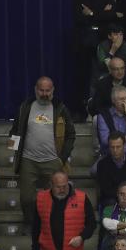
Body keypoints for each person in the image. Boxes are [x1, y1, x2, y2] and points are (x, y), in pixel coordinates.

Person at [9, 77, 76, 227]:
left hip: (53, 161)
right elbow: (14, 130)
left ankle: (49, 226)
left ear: (53, 90)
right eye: (41, 90)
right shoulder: (26, 106)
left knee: (54, 198)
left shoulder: (60, 108)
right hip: (28, 160)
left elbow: (71, 134)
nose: (44, 93)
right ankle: (31, 225)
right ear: (35, 90)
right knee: (26, 199)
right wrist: (14, 151)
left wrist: (62, 158)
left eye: (47, 90)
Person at [72, 0, 115, 119]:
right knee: (82, 77)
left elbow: (110, 17)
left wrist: (90, 13)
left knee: (102, 75)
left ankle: (100, 109)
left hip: (102, 41)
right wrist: (99, 14)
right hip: (83, 41)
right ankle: (80, 111)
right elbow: (78, 18)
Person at [95, 84, 126, 156]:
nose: (125, 102)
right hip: (110, 156)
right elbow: (105, 140)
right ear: (113, 101)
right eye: (121, 99)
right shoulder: (103, 115)